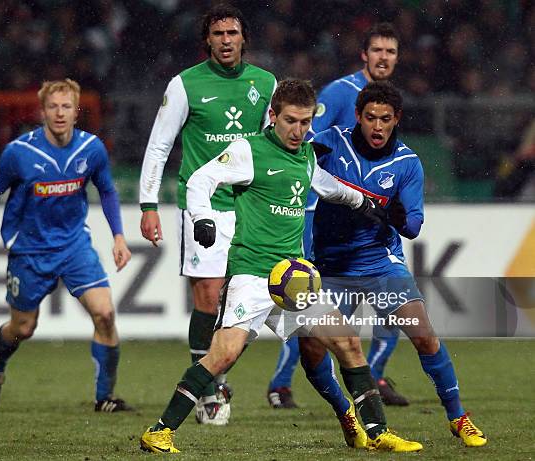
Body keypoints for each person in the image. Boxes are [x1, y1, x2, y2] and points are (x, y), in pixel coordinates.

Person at [139, 79, 423, 454]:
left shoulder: (305, 154)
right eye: (291, 121)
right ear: (273, 115)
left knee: (347, 342)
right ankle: (159, 431)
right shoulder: (248, 150)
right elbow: (200, 180)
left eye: (306, 122)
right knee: (224, 354)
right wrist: (203, 219)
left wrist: (362, 203)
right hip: (253, 276)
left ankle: (375, 431)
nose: (298, 130)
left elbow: (327, 185)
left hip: (293, 280)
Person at [307, 81, 487, 447]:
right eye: (370, 117)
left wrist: (397, 215)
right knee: (311, 349)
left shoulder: (406, 163)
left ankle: (458, 417)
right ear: (358, 116)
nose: (377, 126)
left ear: (396, 119)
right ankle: (347, 414)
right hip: (331, 266)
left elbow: (414, 227)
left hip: (379, 264)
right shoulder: (330, 142)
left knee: (422, 333)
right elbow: (295, 155)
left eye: (384, 119)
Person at [139, 4, 277, 425]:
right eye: (218, 34)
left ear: (243, 38)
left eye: (232, 33)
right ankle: (210, 391)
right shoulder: (185, 85)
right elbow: (159, 145)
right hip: (205, 207)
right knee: (208, 297)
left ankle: (215, 372)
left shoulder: (265, 83)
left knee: (249, 302)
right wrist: (148, 205)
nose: (226, 40)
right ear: (208, 40)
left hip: (252, 207)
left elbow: (278, 141)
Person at [267, 22, 409, 407]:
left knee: (395, 304)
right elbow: (304, 143)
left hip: (368, 217)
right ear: (364, 54)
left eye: (391, 51)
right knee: (310, 303)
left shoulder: (385, 100)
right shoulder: (339, 93)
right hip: (324, 214)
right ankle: (280, 384)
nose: (384, 57)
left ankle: (373, 377)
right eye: (377, 50)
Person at [0, 79, 133, 413]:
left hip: (74, 246)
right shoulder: (20, 152)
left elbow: (106, 190)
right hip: (29, 251)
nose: (60, 113)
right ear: (42, 111)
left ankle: (105, 397)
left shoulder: (91, 149)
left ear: (77, 112)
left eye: (66, 107)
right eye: (53, 107)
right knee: (23, 327)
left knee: (105, 314)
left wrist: (118, 235)